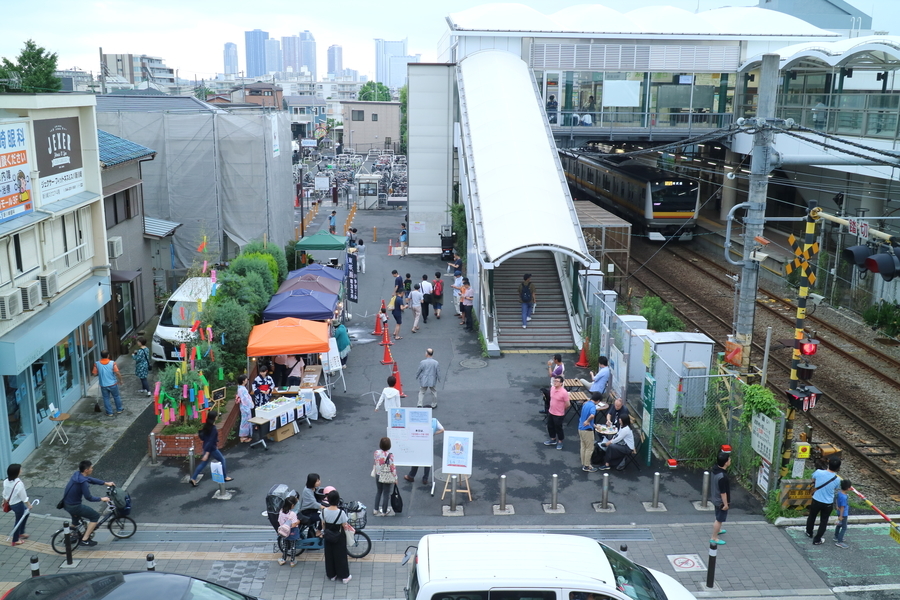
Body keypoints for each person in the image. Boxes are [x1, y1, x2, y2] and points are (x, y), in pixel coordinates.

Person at [62, 460, 115, 546]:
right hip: (74, 506)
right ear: (86, 470)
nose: (92, 469)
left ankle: (71, 535)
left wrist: (105, 483)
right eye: (91, 468)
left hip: (66, 504)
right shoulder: (83, 483)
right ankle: (85, 539)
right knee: (95, 516)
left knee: (75, 522)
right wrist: (102, 499)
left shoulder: (77, 475)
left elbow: (90, 479)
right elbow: (89, 497)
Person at [189, 411, 233, 486]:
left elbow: (205, 438)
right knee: (222, 460)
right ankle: (225, 476)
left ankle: (193, 478)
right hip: (211, 448)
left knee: (203, 463)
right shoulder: (213, 429)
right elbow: (211, 440)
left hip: (205, 446)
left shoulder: (207, 426)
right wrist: (207, 453)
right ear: (215, 418)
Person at [806, 457, 842, 545]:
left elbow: (813, 480)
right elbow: (837, 488)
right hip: (828, 503)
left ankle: (809, 532)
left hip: (816, 499)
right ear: (838, 468)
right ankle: (817, 539)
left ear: (828, 464)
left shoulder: (818, 472)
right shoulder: (837, 479)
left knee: (812, 516)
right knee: (824, 521)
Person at [322, 488, 351, 583]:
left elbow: (323, 524)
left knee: (329, 555)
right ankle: (344, 576)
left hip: (328, 535)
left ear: (328, 500)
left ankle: (332, 575)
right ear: (338, 500)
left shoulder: (324, 511)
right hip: (339, 536)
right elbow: (344, 525)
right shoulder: (341, 513)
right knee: (341, 555)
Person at [404, 417, 444, 485]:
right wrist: (433, 433)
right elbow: (442, 429)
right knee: (427, 461)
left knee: (416, 459)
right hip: (429, 443)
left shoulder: (421, 420)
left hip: (420, 443)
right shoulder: (434, 421)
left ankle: (411, 476)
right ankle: (425, 479)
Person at [4, 464, 31, 546]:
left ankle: (21, 532)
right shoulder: (19, 483)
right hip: (18, 504)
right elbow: (23, 497)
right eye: (20, 470)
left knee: (26, 513)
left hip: (12, 503)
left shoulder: (6, 481)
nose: (21, 471)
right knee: (18, 521)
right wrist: (29, 505)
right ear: (16, 472)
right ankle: (15, 540)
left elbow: (5, 493)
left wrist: (4, 501)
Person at [93, 350, 124, 416]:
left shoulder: (97, 364)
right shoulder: (112, 363)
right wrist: (120, 380)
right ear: (108, 355)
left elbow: (94, 374)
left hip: (103, 385)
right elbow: (117, 373)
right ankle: (119, 409)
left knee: (106, 398)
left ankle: (109, 412)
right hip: (113, 384)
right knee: (116, 396)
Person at [710, 451, 731, 545]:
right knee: (719, 519)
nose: (730, 460)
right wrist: (726, 504)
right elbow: (723, 493)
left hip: (715, 497)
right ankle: (714, 537)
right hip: (720, 501)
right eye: (729, 459)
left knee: (718, 515)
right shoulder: (722, 477)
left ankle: (718, 529)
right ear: (726, 462)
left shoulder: (715, 469)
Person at [544, 376, 569, 450]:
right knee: (550, 426)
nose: (555, 382)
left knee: (558, 428)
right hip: (551, 411)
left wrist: (562, 409)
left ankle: (560, 441)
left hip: (559, 414)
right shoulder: (552, 389)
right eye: (554, 381)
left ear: (561, 383)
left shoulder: (564, 392)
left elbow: (567, 404)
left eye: (557, 381)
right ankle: (553, 439)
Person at [579, 394, 603, 473]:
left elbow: (585, 417)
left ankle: (584, 463)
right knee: (589, 448)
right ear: (598, 400)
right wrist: (588, 421)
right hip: (587, 430)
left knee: (583, 446)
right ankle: (587, 466)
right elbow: (592, 415)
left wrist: (595, 426)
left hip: (580, 428)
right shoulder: (593, 406)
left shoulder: (586, 404)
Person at [373, 437, 397, 517]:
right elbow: (392, 467)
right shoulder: (390, 455)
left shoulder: (376, 452)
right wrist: (395, 478)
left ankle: (375, 509)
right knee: (386, 494)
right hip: (386, 475)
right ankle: (384, 511)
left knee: (379, 491)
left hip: (378, 474)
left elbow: (375, 462)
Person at [277, 495, 301, 567]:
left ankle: (283, 559)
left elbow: (280, 522)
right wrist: (298, 522)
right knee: (293, 546)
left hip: (284, 531)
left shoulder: (281, 512)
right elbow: (293, 524)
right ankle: (292, 561)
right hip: (292, 531)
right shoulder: (292, 514)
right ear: (292, 505)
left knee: (285, 545)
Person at [834, 479, 851, 549]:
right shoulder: (844, 497)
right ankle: (839, 541)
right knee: (844, 527)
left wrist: (836, 506)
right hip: (843, 514)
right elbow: (842, 507)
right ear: (847, 488)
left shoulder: (839, 493)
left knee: (839, 525)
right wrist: (841, 516)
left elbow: (836, 500)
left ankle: (836, 536)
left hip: (839, 512)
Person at [236, 374, 254, 443]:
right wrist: (251, 404)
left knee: (245, 421)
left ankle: (244, 436)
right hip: (245, 407)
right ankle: (243, 437)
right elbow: (245, 400)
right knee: (245, 422)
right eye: (246, 379)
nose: (247, 380)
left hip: (244, 406)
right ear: (243, 381)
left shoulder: (241, 388)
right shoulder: (242, 390)